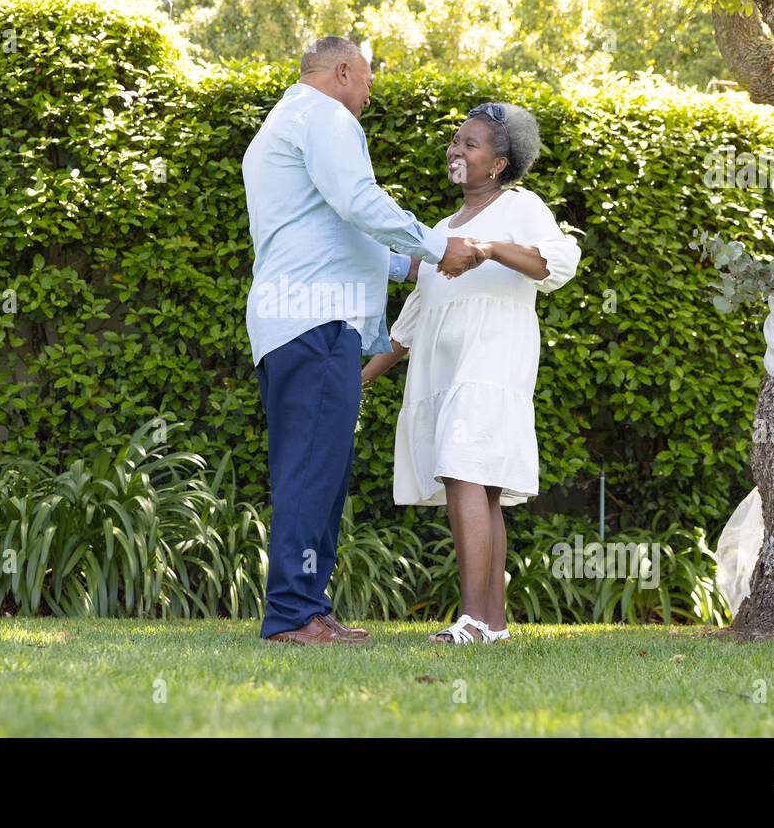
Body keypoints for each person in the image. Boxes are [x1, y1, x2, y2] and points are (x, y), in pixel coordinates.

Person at [242, 36, 483, 645]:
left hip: (296, 320)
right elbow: (357, 202)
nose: (368, 98)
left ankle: (309, 608)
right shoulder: (323, 116)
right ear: (343, 70)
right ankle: (294, 615)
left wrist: (417, 268)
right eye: (368, 84)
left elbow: (335, 231)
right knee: (310, 470)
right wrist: (437, 245)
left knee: (317, 468)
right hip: (314, 320)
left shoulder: (284, 122)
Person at [360, 101, 581, 644]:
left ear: (499, 164)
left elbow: (557, 263)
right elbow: (410, 325)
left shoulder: (519, 205)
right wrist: (353, 383)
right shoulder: (440, 230)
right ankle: (494, 625)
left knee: (465, 472)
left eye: (470, 144)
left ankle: (472, 620)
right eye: (455, 141)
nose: (456, 151)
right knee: (479, 488)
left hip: (492, 363)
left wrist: (488, 249)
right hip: (442, 373)